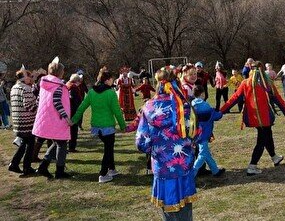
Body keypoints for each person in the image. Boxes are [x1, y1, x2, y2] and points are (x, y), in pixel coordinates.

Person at [135, 66, 198, 221]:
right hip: (183, 165)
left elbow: (142, 142)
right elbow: (196, 132)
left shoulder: (148, 107)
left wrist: (156, 148)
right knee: (185, 210)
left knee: (168, 213)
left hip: (162, 167)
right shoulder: (185, 106)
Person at [220, 61, 285, 175]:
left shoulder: (247, 83)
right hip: (264, 118)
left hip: (255, 117)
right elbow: (277, 98)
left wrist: (221, 111)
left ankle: (274, 157)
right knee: (261, 140)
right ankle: (252, 166)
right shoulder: (266, 83)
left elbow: (234, 98)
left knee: (268, 135)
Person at [72, 68, 127, 183]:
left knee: (109, 147)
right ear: (107, 80)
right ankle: (103, 174)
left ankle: (112, 169)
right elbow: (117, 111)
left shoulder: (92, 92)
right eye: (111, 79)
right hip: (107, 126)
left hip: (96, 127)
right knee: (108, 149)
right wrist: (123, 126)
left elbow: (82, 107)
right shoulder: (111, 93)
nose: (112, 81)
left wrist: (74, 120)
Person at [33, 57, 73, 179]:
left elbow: (38, 101)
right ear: (60, 72)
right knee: (61, 144)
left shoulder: (45, 84)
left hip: (47, 119)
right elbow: (57, 103)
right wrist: (66, 118)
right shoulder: (58, 86)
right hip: (57, 119)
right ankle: (59, 172)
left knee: (57, 142)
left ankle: (43, 167)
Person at [8, 68, 38, 176]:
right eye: (30, 77)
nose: (31, 79)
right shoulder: (26, 89)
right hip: (27, 122)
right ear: (25, 78)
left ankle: (14, 164)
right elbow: (30, 106)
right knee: (30, 145)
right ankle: (27, 167)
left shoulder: (14, 88)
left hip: (17, 121)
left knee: (24, 144)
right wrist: (39, 103)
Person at [192, 85, 225, 177]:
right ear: (202, 94)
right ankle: (192, 173)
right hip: (204, 133)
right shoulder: (204, 105)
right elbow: (215, 116)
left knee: (205, 152)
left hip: (195, 133)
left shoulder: (191, 104)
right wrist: (220, 112)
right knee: (202, 154)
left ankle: (215, 171)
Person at [67, 74, 84, 153]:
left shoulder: (67, 85)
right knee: (73, 130)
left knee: (70, 129)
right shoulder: (73, 88)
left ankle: (70, 145)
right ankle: (72, 147)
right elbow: (75, 100)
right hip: (73, 111)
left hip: (69, 110)